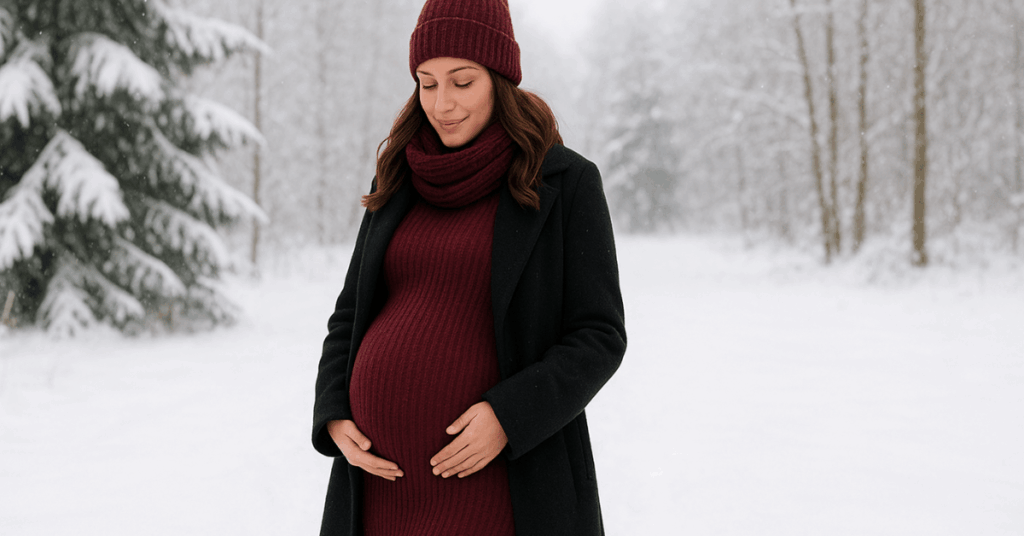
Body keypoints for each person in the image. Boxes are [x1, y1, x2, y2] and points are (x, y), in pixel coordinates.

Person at [310, 0, 626, 534]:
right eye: (427, 83)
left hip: (503, 486)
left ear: (499, 79)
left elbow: (599, 336)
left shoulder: (564, 184)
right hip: (380, 491)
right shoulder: (396, 179)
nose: (442, 103)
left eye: (462, 82)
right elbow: (350, 315)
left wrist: (510, 416)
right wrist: (335, 409)